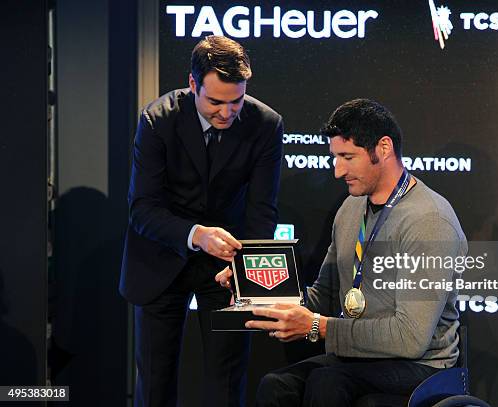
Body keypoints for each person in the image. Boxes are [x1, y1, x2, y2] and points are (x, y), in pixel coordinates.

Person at [217, 98, 467, 406]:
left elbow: (411, 338)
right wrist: (253, 286)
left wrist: (317, 327)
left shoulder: (428, 220)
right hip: (357, 357)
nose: (337, 171)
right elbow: (323, 296)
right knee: (277, 386)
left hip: (423, 365)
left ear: (383, 148)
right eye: (335, 157)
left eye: (347, 157)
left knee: (328, 383)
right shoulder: (351, 208)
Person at [120, 35, 283, 407]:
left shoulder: (266, 124)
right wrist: (196, 235)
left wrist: (245, 269)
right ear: (193, 84)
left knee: (226, 384)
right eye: (215, 102)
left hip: (226, 267)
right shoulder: (157, 121)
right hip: (159, 260)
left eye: (236, 101)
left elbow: (262, 212)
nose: (227, 113)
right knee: (156, 383)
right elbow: (142, 209)